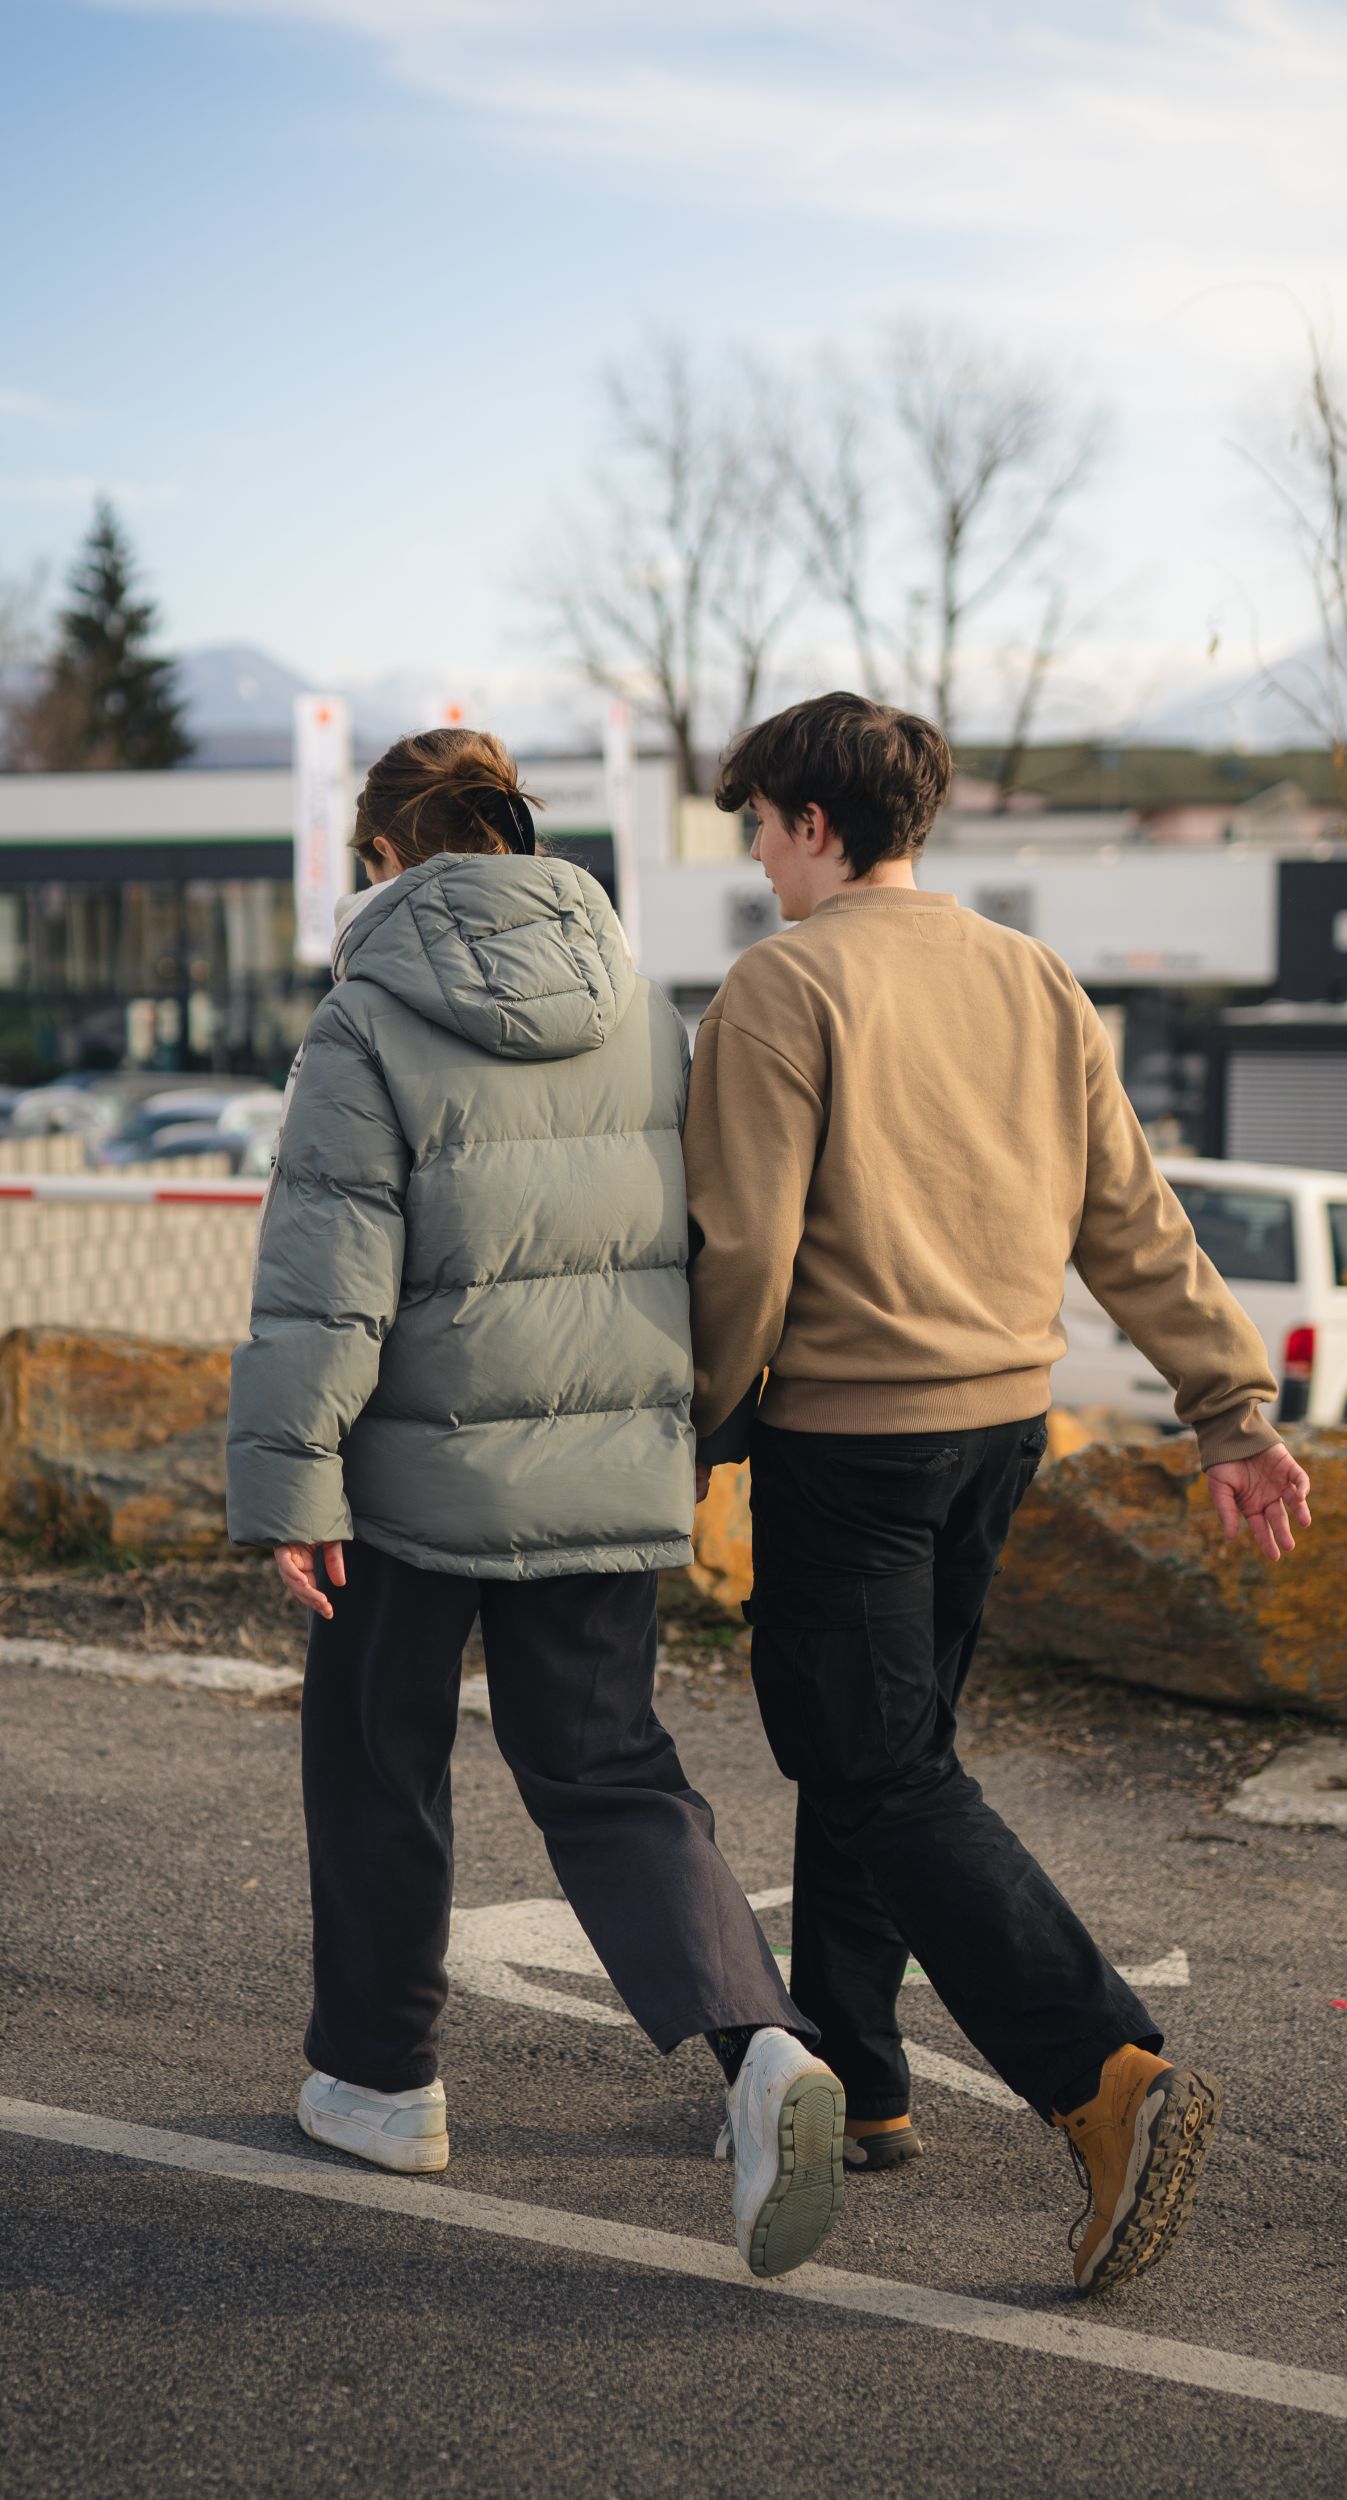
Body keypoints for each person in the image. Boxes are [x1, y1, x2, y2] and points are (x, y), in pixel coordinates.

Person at [683, 691, 1313, 2297]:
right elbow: (1131, 1214)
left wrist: (700, 1428)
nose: (756, 859)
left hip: (852, 1443)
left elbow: (744, 1253)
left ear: (816, 823)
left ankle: (1104, 2074)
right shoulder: (1031, 975)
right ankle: (857, 2073)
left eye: (760, 826)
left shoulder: (782, 987)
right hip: (1001, 1433)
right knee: (884, 1748)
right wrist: (1230, 1405)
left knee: (877, 1762)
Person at [226, 727, 846, 2279]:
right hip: (607, 1457)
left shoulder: (367, 1015)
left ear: (384, 855)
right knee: (611, 1770)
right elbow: (699, 1234)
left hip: (408, 1479)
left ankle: (381, 2084)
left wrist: (292, 1485)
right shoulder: (639, 1003)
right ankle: (761, 2044)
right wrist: (689, 1432)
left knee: (379, 1760)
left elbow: (328, 1279)